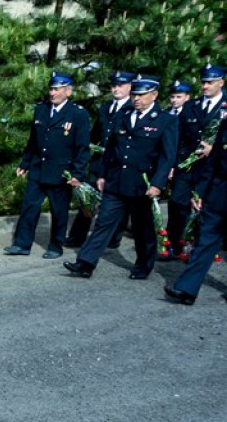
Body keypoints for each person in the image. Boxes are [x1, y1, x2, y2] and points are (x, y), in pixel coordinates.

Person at [64, 74, 177, 279]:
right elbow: (111, 149)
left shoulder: (165, 120)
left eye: (142, 95)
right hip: (116, 180)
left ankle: (143, 265)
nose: (136, 99)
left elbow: (167, 156)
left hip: (142, 184)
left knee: (143, 228)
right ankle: (85, 263)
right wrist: (102, 174)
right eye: (134, 94)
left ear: (154, 95)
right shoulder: (123, 115)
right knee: (103, 223)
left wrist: (157, 184)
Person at [3, 71, 91, 259]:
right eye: (51, 89)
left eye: (57, 89)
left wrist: (78, 173)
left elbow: (82, 147)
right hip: (38, 167)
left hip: (61, 171)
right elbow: (33, 140)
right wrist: (25, 162)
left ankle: (55, 246)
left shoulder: (78, 114)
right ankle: (22, 244)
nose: (52, 93)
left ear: (68, 91)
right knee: (29, 206)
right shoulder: (41, 109)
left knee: (59, 210)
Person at [65, 70, 132, 248]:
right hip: (99, 160)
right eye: (114, 85)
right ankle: (77, 236)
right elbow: (95, 134)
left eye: (120, 85)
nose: (116, 89)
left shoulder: (132, 108)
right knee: (87, 196)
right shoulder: (106, 107)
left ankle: (114, 237)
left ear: (129, 87)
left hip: (119, 161)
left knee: (119, 199)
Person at [165, 115, 227, 304]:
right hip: (218, 196)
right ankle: (187, 289)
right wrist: (199, 192)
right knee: (204, 243)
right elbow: (213, 161)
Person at [163, 78, 200, 260]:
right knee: (176, 204)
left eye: (179, 96)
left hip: (195, 164)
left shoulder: (194, 112)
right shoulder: (166, 114)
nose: (175, 100)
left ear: (188, 97)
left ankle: (193, 245)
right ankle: (173, 244)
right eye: (173, 96)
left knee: (198, 206)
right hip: (177, 164)